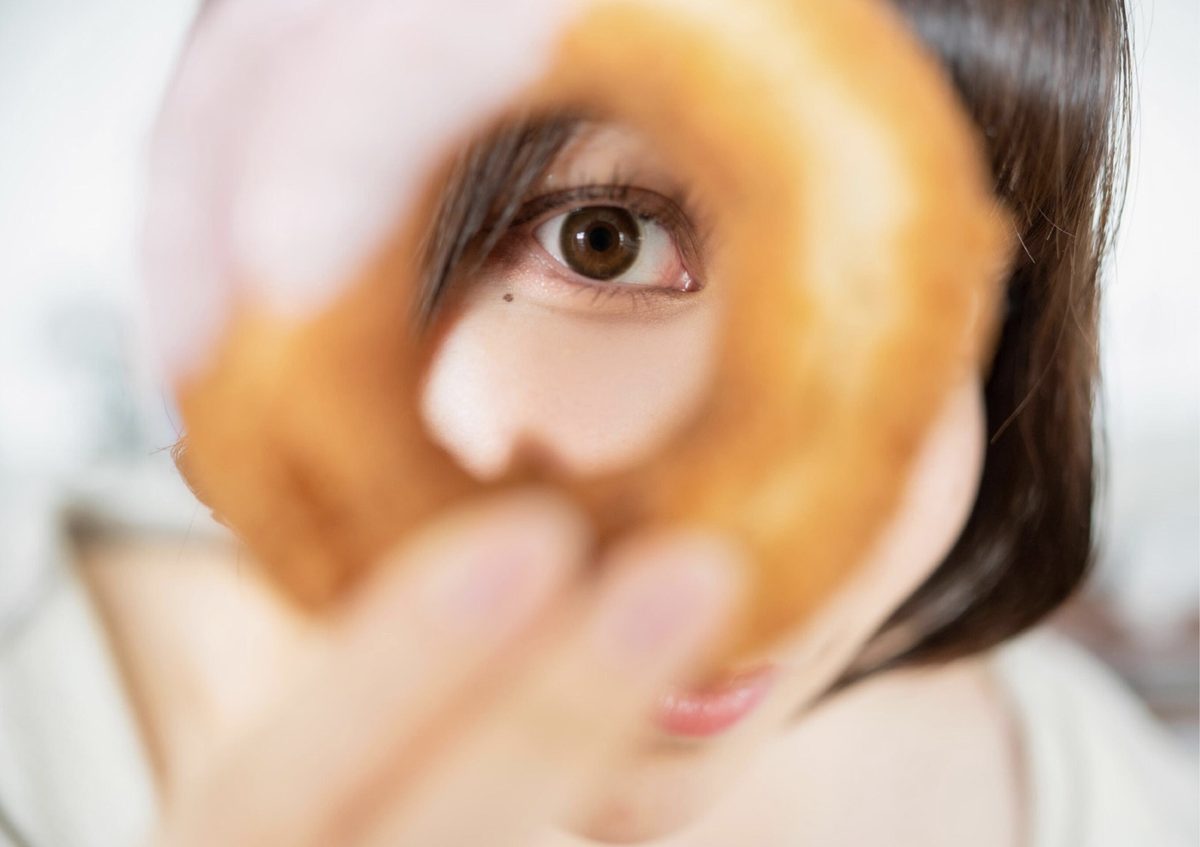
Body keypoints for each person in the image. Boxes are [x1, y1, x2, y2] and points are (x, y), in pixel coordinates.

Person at [0, 0, 1195, 845]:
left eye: (907, 289)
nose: (750, 516)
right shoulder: (36, 725)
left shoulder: (1102, 790)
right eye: (603, 239)